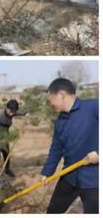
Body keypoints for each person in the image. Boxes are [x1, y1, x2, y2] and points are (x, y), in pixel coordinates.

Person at [42, 78, 98, 213]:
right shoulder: (60, 121)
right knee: (53, 211)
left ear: (61, 95)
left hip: (94, 180)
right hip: (69, 176)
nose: (50, 103)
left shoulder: (93, 107)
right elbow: (56, 149)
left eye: (51, 98)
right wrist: (47, 172)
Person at [0, 99, 26, 179]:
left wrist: (25, 114)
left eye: (13, 112)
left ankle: (7, 170)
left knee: (7, 155)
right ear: (6, 108)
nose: (12, 114)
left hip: (5, 137)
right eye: (10, 111)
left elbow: (17, 113)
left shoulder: (12, 112)